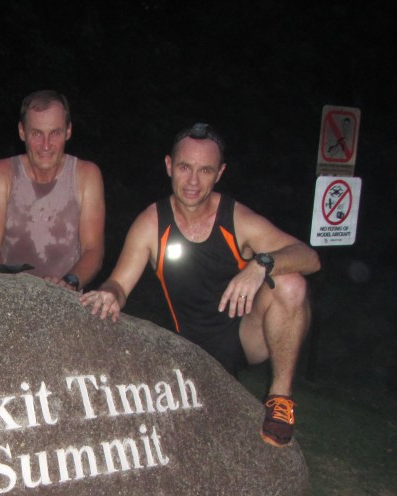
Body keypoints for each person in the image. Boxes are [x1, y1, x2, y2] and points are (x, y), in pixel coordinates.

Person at [80, 123, 320, 447]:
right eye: (185, 168)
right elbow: (119, 284)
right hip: (191, 348)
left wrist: (260, 265)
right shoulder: (151, 223)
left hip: (244, 334)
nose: (193, 181)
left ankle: (280, 400)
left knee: (291, 283)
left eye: (205, 170)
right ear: (169, 166)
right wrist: (109, 294)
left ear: (219, 173)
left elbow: (308, 256)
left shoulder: (236, 219)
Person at [0, 90, 105, 292]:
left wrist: (69, 282)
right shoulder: (1, 173)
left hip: (66, 294)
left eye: (55, 133)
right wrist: (2, 287)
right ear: (22, 132)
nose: (46, 145)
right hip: (9, 291)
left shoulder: (87, 175)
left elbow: (93, 249)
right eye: (37, 133)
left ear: (68, 131)